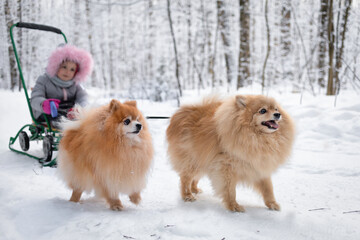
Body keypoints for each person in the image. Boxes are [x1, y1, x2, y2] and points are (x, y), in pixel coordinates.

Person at [31, 44, 93, 127]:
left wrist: (79, 108)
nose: (67, 72)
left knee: (84, 118)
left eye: (72, 69)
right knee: (60, 119)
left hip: (68, 113)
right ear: (55, 66)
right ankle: (66, 125)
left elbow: (83, 97)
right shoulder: (44, 80)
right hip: (48, 113)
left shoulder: (75, 84)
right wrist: (43, 104)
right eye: (64, 67)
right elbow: (35, 98)